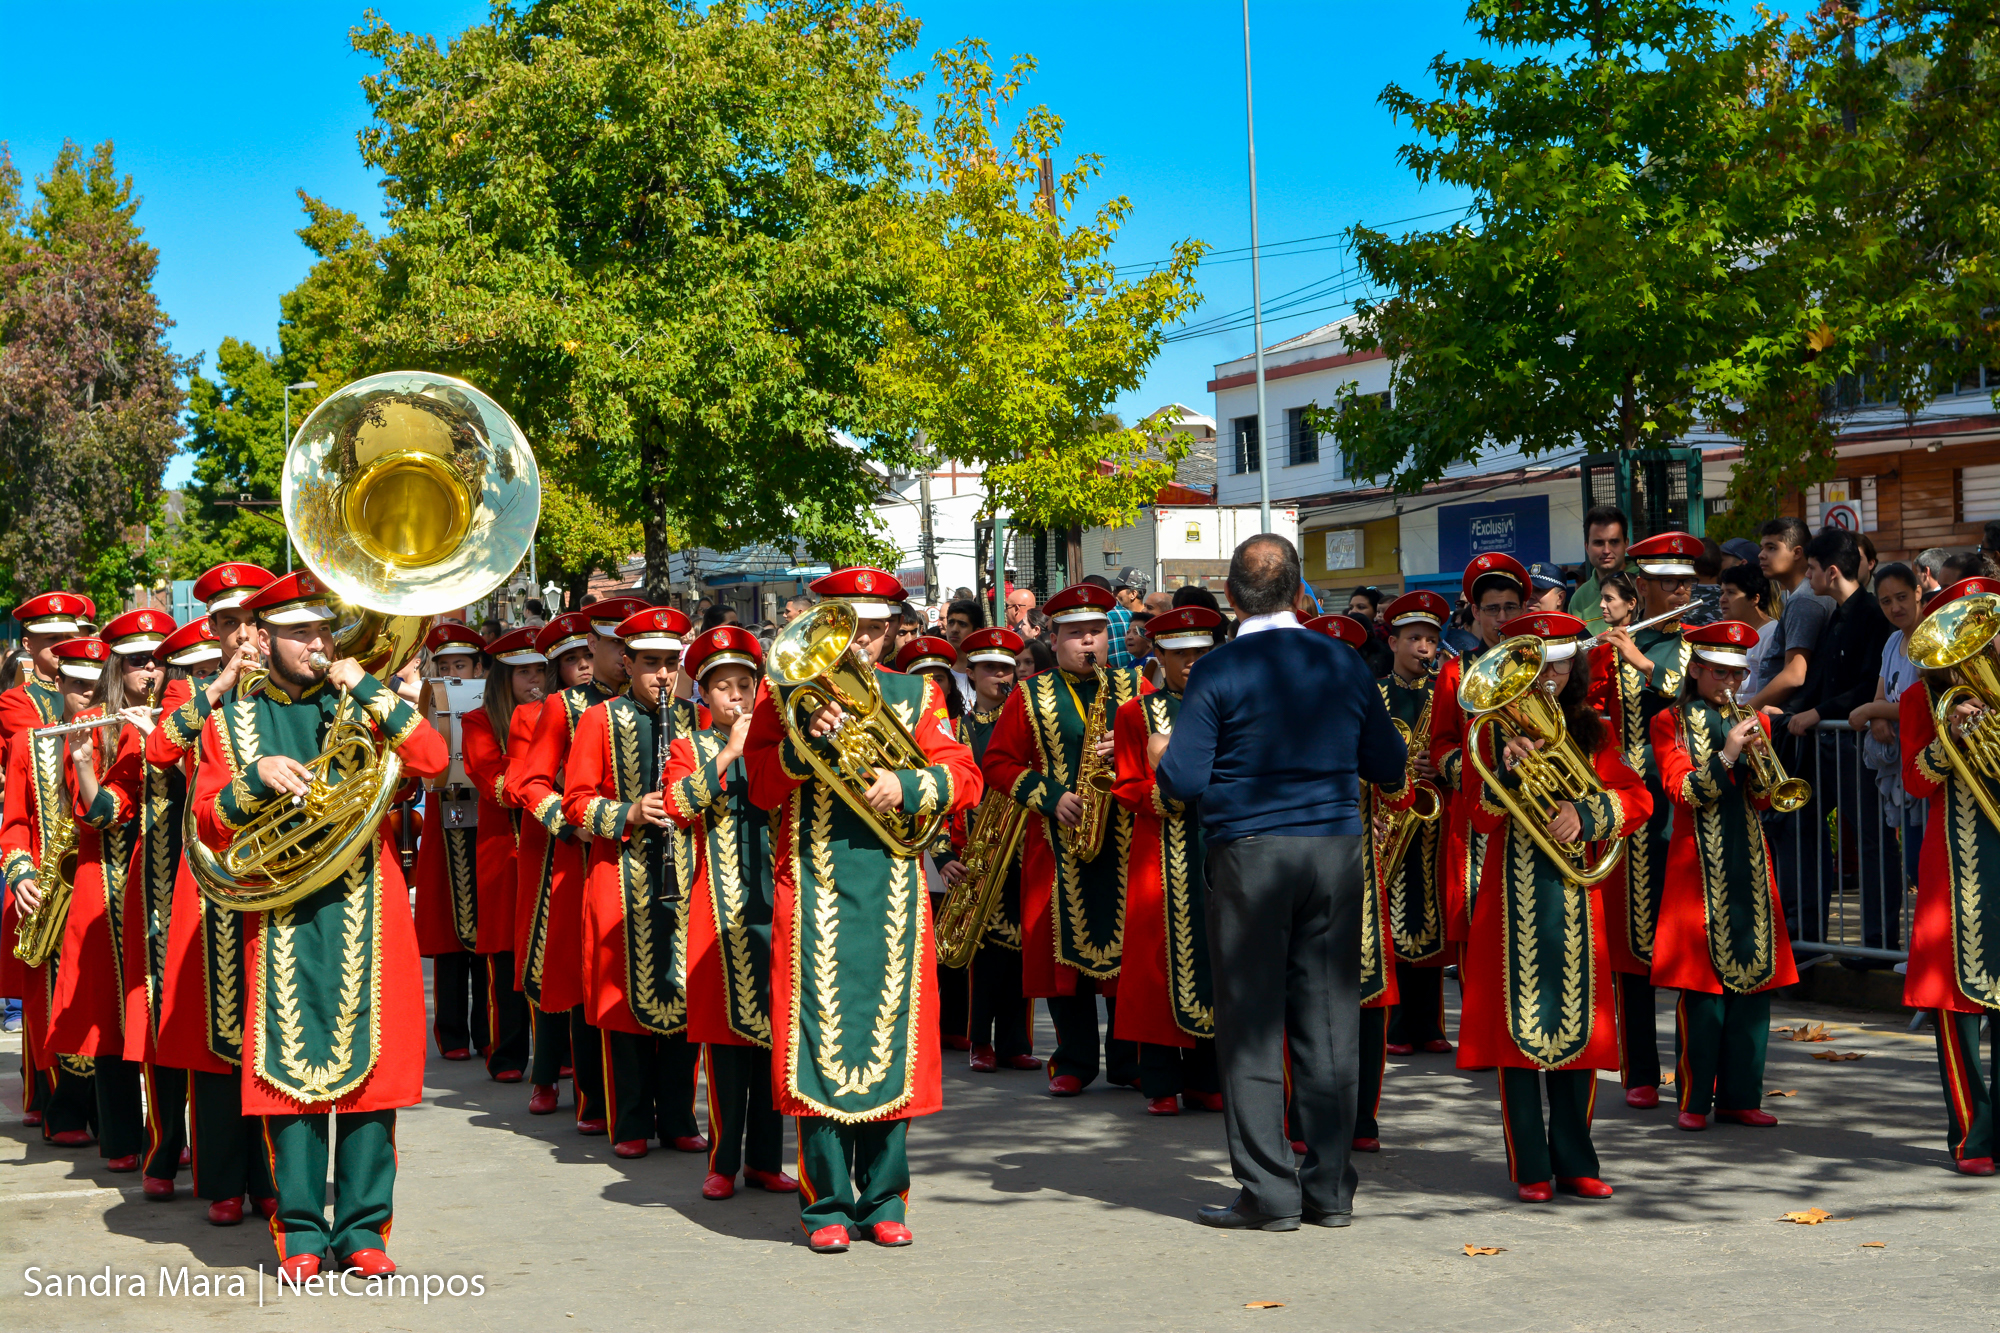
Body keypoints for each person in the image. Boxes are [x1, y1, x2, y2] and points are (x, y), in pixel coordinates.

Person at [189, 571, 447, 1279]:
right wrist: (254, 778)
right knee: (286, 1073)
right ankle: (300, 1231)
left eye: (323, 629)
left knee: (375, 1078)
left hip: (370, 901)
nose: (319, 643)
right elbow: (207, 819)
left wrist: (367, 686)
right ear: (264, 637)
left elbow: (431, 759)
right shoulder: (227, 721)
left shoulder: (362, 706)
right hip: (279, 913)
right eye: (302, 632)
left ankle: (364, 1229)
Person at [1151, 534, 1404, 1230]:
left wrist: (1158, 749)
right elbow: (1388, 761)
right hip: (1333, 850)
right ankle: (1329, 1188)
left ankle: (1270, 1189)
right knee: (1329, 1021)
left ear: (1230, 598)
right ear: (1301, 595)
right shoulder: (1343, 660)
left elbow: (1183, 780)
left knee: (1254, 1022)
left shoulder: (1218, 669)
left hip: (1251, 855)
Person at [743, 565, 983, 1253]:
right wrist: (802, 742)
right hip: (813, 890)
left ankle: (883, 1198)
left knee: (893, 1046)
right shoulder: (782, 694)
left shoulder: (919, 694)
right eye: (850, 629)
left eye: (877, 629)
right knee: (814, 1051)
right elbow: (758, 786)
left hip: (895, 896)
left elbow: (964, 776)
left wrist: (907, 784)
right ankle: (824, 1207)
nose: (863, 645)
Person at [1457, 612, 1651, 1201]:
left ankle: (1576, 1159)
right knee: (1514, 1038)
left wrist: (1587, 815)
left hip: (1575, 895)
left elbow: (1637, 798)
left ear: (1577, 667)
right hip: (1510, 895)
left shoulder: (1595, 731)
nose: (1549, 677)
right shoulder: (1489, 731)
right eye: (1538, 664)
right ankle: (1531, 1167)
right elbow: (1480, 816)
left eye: (1562, 663)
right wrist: (1511, 777)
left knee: (1579, 1030)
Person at [142, 562, 278, 1224]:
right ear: (214, 631)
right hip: (212, 884)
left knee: (271, 1028)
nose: (242, 634)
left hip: (281, 878)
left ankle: (274, 1176)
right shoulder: (189, 695)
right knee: (222, 1036)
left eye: (252, 620)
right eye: (228, 623)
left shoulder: (290, 692)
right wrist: (221, 684)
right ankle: (224, 1180)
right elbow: (160, 752)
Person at [983, 583, 1152, 1097]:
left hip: (1126, 840)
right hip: (1059, 842)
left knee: (1130, 953)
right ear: (1053, 639)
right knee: (1063, 958)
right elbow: (997, 764)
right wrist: (1048, 795)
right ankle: (1075, 1059)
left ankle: (1129, 1059)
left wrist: (1131, 751)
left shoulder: (1138, 686)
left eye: (1096, 632)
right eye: (1076, 633)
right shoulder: (1028, 694)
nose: (1088, 643)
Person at [560, 607, 708, 1160]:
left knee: (683, 994)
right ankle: (628, 1123)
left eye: (672, 664)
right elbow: (575, 803)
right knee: (624, 1005)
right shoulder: (599, 719)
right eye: (650, 664)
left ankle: (678, 1117)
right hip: (620, 875)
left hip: (688, 874)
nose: (663, 676)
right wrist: (629, 812)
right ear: (626, 663)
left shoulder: (698, 719)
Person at [1651, 620, 1799, 1131]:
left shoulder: (1757, 717)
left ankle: (1741, 1096)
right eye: (1720, 673)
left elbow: (1764, 798)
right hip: (1697, 864)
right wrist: (1730, 752)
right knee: (1702, 991)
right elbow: (1684, 791)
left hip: (1750, 858)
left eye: (1738, 674)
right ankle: (1694, 1101)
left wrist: (1760, 761)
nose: (1731, 685)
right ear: (1696, 669)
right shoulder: (1669, 721)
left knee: (1755, 985)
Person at [511, 596, 650, 1137]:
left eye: (629, 646)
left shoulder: (668, 703)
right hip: (579, 856)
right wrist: (570, 826)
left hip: (650, 862)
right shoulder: (566, 706)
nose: (622, 656)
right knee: (577, 977)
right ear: (593, 645)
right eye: (615, 645)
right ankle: (581, 1091)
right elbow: (530, 783)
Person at [669, 625, 798, 1200]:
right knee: (725, 1045)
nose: (737, 697)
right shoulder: (688, 748)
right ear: (704, 696)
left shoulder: (780, 741)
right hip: (717, 910)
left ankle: (766, 1161)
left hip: (779, 903)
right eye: (723, 687)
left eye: (745, 684)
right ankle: (722, 1161)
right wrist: (726, 755)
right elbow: (676, 804)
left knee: (775, 1043)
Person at [1588, 530, 1699, 1109]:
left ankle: (1691, 1074)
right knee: (1631, 945)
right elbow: (1595, 711)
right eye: (1667, 581)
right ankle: (1639, 1072)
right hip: (1631, 805)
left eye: (1684, 579)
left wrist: (1640, 662)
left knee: (1681, 943)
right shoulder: (1613, 646)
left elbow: (1689, 701)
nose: (1680, 588)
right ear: (1645, 586)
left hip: (1683, 803)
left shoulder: (1694, 645)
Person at [73, 610, 180, 1192]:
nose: (150, 671)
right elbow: (100, 813)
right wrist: (87, 768)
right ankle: (121, 1138)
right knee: (118, 1014)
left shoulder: (180, 713)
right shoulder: (96, 721)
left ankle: (176, 1138)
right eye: (138, 661)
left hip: (167, 879)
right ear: (117, 667)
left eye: (157, 660)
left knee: (166, 1011)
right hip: (108, 882)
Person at [1898, 574, 2000, 1173]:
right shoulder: (1919, 701)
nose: (1979, 650)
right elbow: (1916, 780)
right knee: (1956, 1011)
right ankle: (1973, 1137)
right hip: (1952, 868)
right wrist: (1950, 737)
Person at [1111, 606, 1226, 1118]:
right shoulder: (1136, 714)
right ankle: (1159, 1080)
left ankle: (1208, 1079)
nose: (1193, 664)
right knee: (1156, 964)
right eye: (1182, 655)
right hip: (1159, 854)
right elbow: (1129, 784)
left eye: (1203, 653)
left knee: (1220, 958)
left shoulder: (1231, 707)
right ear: (1159, 656)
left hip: (1221, 846)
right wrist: (1174, 794)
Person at [3, 635, 114, 1152]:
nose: (85, 698)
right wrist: (21, 872)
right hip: (54, 892)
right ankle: (62, 1107)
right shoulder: (31, 743)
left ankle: (115, 1116)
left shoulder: (121, 736)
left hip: (110, 888)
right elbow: (16, 822)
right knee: (55, 1005)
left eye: (94, 688)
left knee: (109, 1003)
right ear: (59, 684)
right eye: (75, 686)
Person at [1301, 612, 1402, 1154]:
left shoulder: (1368, 710)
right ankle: (1300, 1120)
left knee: (1366, 997)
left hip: (1358, 869)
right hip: (1298, 866)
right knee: (1300, 993)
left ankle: (1362, 1118)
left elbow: (1395, 778)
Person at [1787, 528, 1897, 958]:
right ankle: (1810, 936)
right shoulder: (1837, 613)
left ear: (1831, 572)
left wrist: (1819, 711)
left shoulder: (1871, 615)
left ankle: (1877, 942)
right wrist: (1797, 709)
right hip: (1828, 744)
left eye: (1811, 569)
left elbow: (1870, 683)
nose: (1808, 576)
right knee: (1805, 828)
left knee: (1871, 840)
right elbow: (1820, 680)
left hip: (1855, 744)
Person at [936, 626, 1040, 1073]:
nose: (1001, 676)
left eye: (1008, 669)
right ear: (972, 673)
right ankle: (981, 1041)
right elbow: (939, 800)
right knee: (980, 952)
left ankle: (1017, 1042)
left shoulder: (1032, 725)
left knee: (1022, 948)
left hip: (1025, 848)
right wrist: (942, 856)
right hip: (973, 850)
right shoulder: (954, 731)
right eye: (991, 668)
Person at [1428, 554, 1530, 955]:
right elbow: (1440, 745)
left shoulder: (1539, 664)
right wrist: (1477, 774)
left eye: (1510, 607)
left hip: (1535, 812)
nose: (1501, 618)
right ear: (1475, 611)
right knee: (1480, 939)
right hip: (1474, 820)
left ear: (1524, 609)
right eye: (1492, 609)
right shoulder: (1454, 673)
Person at [513, 612, 593, 1117]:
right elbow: (527, 784)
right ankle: (545, 1077)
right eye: (573, 661)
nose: (583, 667)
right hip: (560, 850)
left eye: (588, 657)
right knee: (555, 966)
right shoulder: (554, 709)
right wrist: (566, 824)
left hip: (621, 847)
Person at [459, 627, 543, 1084]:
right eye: (523, 672)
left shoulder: (559, 714)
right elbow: (499, 789)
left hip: (546, 851)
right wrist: (532, 736)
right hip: (503, 858)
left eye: (539, 670)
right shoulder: (477, 722)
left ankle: (555, 1053)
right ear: (502, 678)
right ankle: (506, 1053)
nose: (534, 679)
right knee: (506, 958)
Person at [1372, 592, 1454, 1057]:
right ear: (1395, 641)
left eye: (1430, 639)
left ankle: (1431, 1024)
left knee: (1432, 919)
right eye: (1414, 639)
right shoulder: (1375, 692)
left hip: (1431, 818)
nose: (1424, 648)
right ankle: (1397, 1025)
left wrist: (1437, 767)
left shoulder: (1442, 691)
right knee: (1393, 921)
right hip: (1388, 817)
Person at [412, 623, 489, 1062]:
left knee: (490, 932)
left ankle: (489, 1030)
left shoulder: (494, 705)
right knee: (447, 940)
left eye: (459, 665)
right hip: (444, 820)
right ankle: (453, 1032)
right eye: (443, 666)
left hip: (488, 819)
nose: (451, 674)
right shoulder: (428, 704)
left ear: (479, 668)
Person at [894, 633, 972, 1054]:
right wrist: (939, 853)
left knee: (956, 942)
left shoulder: (965, 726)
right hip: (923, 845)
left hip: (966, 843)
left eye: (940, 678)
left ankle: (958, 1023)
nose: (934, 687)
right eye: (923, 677)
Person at [1848, 564, 1926, 889]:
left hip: (1929, 765)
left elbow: (1920, 705)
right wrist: (1878, 714)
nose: (1895, 607)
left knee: (1926, 864)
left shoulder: (1931, 639)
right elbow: (1884, 696)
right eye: (1885, 601)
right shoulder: (1893, 640)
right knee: (1915, 864)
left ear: (1919, 591)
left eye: (1902, 597)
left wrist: (1868, 710)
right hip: (1904, 767)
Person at [1568, 505, 1630, 635]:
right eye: (1598, 543)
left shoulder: (1644, 585)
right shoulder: (1579, 599)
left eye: (1614, 542)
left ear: (1626, 544)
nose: (1606, 551)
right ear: (1587, 547)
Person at [1718, 564, 1776, 698]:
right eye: (1722, 593)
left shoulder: (1772, 634)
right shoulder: (1729, 634)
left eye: (1731, 592)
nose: (1722, 599)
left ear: (1754, 599)